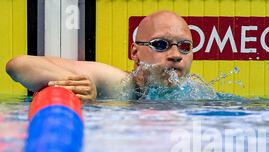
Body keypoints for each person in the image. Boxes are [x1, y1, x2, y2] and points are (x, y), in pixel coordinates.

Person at [5, 10, 194, 101]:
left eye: (185, 46)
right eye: (160, 44)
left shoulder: (194, 93)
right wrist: (82, 86)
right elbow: (19, 66)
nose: (176, 55)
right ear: (135, 53)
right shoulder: (117, 85)